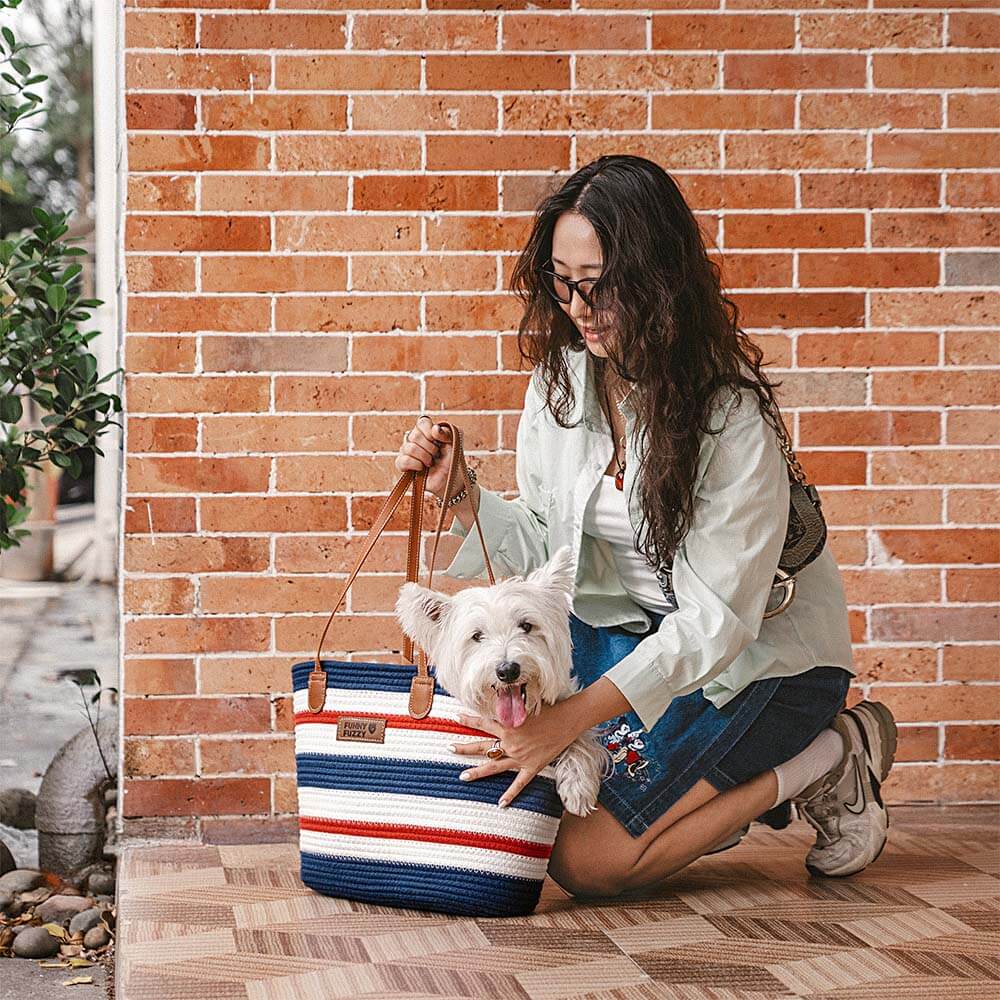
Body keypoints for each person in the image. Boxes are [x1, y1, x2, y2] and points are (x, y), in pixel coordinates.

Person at [394, 155, 897, 896]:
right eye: (563, 281)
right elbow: (548, 546)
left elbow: (716, 621)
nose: (578, 306)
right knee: (528, 808)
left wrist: (572, 720)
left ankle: (829, 755)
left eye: (599, 284)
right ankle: (703, 791)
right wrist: (462, 494)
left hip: (757, 663)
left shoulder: (729, 415)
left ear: (658, 278)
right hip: (635, 644)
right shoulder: (562, 381)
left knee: (588, 862)